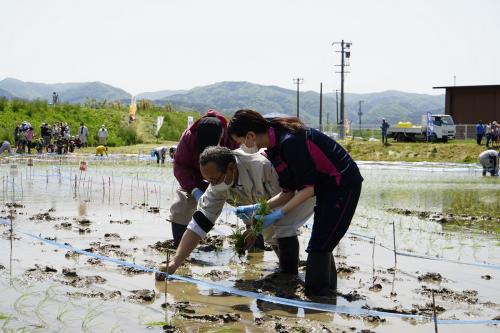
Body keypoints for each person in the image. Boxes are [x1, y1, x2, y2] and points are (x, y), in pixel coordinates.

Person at [226, 109, 363, 298]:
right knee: (322, 242)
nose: (242, 146)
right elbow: (287, 192)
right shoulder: (273, 148)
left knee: (320, 244)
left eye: (241, 141)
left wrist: (279, 214)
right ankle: (326, 295)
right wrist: (261, 207)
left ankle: (318, 297)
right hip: (326, 187)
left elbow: (309, 188)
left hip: (343, 183)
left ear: (250, 135)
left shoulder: (289, 142)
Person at [157, 146, 315, 280]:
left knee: (281, 227)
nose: (212, 184)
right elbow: (199, 224)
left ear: (231, 167)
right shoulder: (217, 185)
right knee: (271, 234)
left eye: (215, 179)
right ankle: (288, 273)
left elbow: (283, 201)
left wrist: (256, 228)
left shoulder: (261, 166)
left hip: (302, 193)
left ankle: (291, 278)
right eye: (208, 180)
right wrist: (174, 263)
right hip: (267, 204)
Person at [167, 110, 238, 247]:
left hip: (226, 180)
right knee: (180, 206)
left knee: (249, 206)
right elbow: (180, 166)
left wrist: (227, 182)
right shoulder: (188, 137)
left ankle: (255, 247)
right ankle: (179, 244)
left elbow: (240, 164)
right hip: (196, 181)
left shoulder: (231, 138)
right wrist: (194, 190)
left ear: (221, 136)